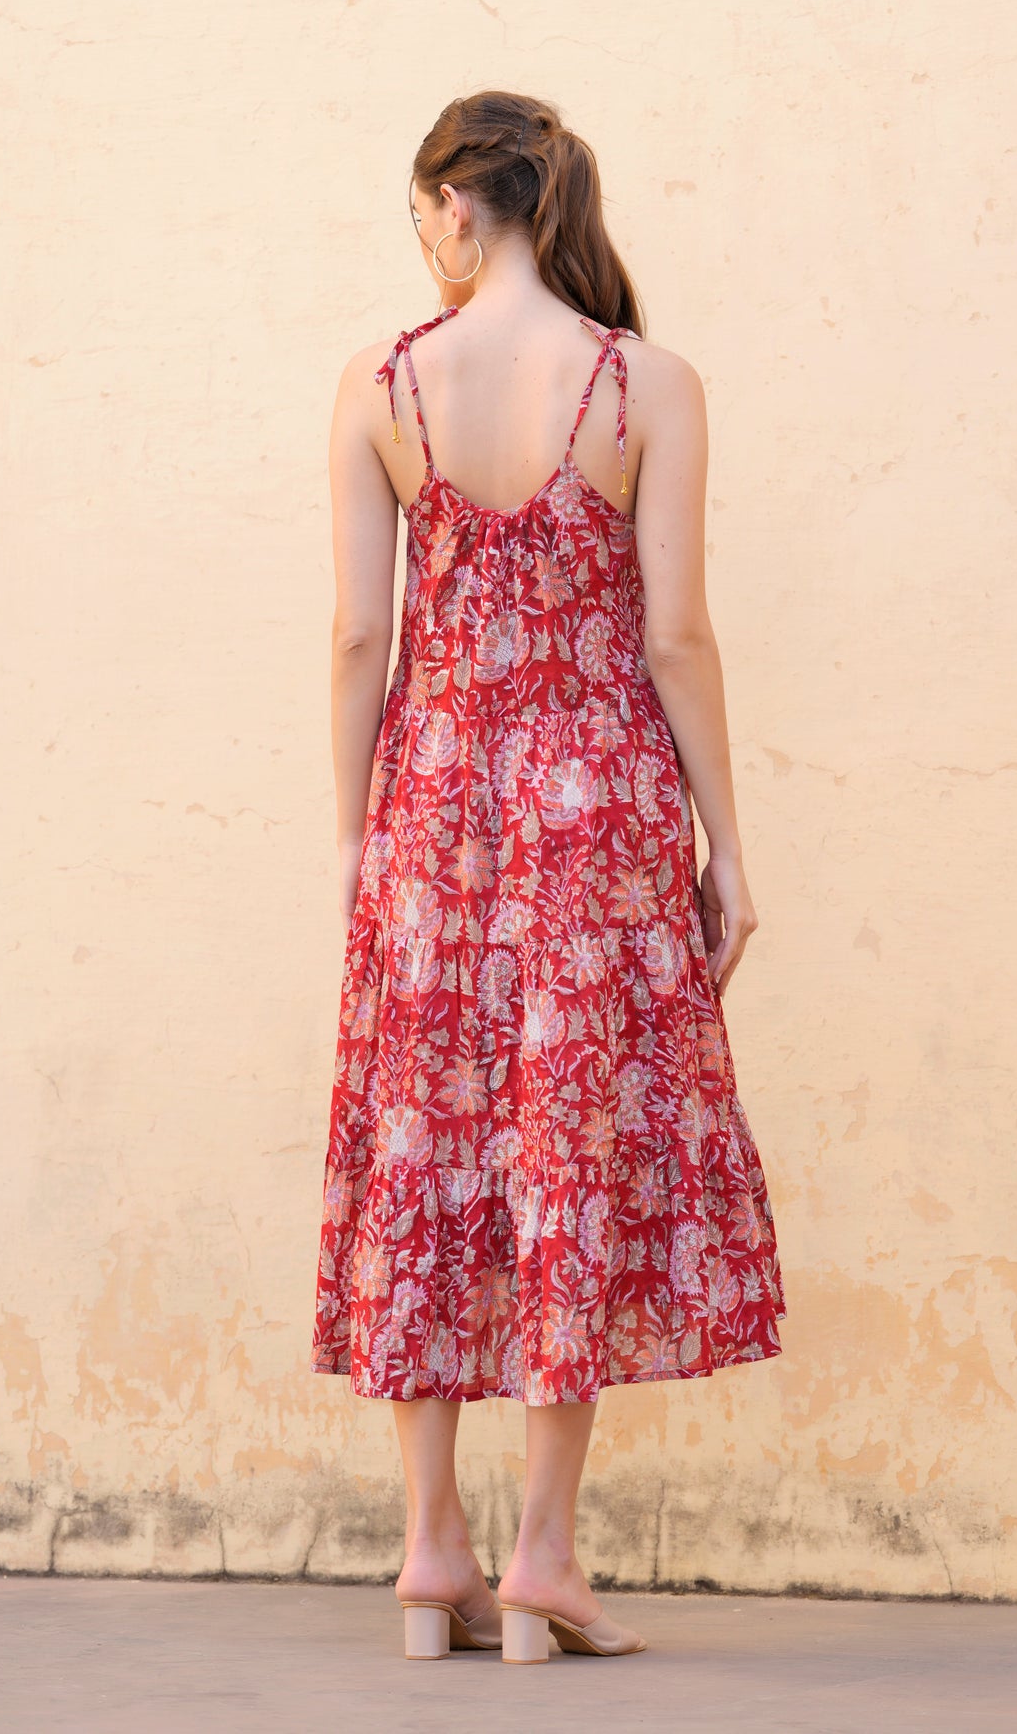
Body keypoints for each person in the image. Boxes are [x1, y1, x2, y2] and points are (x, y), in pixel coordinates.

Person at [312, 89, 785, 1666]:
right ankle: (541, 1558)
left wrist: (352, 833)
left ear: (457, 204)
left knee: (430, 1152)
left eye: (421, 219)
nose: (426, 250)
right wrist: (726, 839)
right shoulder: (645, 382)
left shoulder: (383, 385)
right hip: (594, 812)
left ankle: (429, 1549)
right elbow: (674, 635)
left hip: (435, 814)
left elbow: (359, 640)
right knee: (560, 1155)